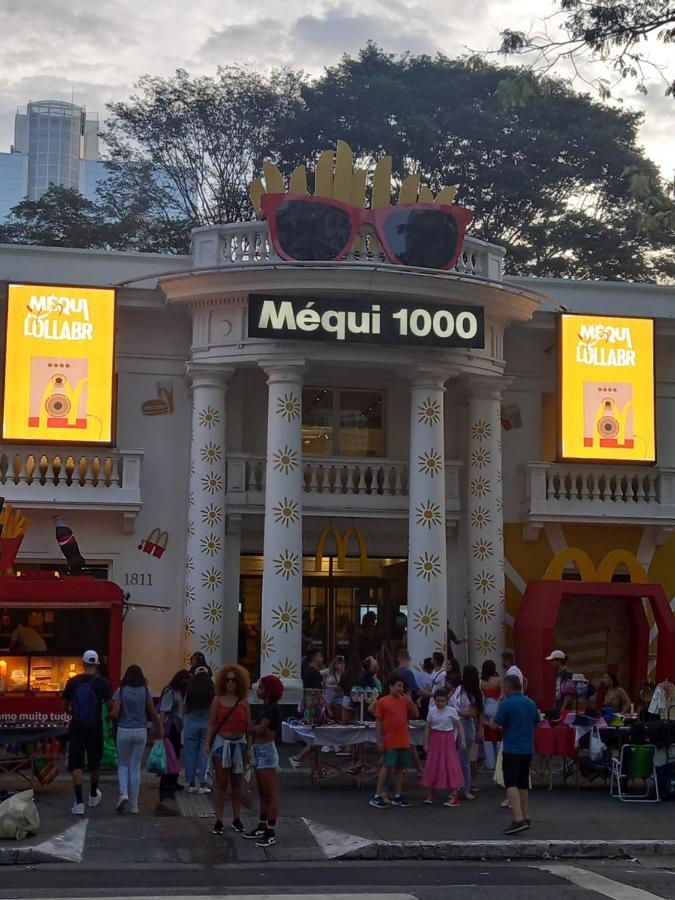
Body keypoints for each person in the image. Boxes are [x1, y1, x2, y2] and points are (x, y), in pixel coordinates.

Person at [62, 650, 112, 816]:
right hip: (95, 727)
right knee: (94, 762)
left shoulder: (73, 681)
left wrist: (73, 714)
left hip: (76, 727)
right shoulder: (103, 683)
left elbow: (65, 706)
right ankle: (92, 795)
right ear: (96, 664)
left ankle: (79, 802)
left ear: (82, 663)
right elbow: (110, 706)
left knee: (76, 763)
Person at [206, 664, 251, 835]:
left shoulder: (244, 702)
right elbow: (211, 724)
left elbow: (248, 726)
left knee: (237, 783)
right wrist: (207, 744)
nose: (230, 683)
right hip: (221, 743)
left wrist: (249, 747)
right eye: (227, 680)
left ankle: (237, 818)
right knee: (221, 782)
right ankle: (218, 819)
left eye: (233, 680)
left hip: (239, 743)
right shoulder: (217, 700)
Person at [492, 674, 540, 835]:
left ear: (509, 687)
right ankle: (526, 816)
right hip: (527, 748)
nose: (502, 690)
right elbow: (537, 722)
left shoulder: (506, 704)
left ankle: (518, 818)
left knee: (510, 783)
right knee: (523, 784)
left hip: (512, 748)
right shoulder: (530, 703)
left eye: (503, 687)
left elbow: (495, 724)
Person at [111, 664, 162, 814]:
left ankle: (123, 794)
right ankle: (134, 805)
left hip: (123, 730)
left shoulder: (121, 690)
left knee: (122, 764)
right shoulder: (146, 690)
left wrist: (109, 717)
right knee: (135, 767)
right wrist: (159, 727)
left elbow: (115, 712)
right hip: (140, 730)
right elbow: (152, 712)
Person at [244, 674, 284, 848]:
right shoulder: (264, 707)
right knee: (261, 791)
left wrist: (247, 728)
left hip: (267, 750)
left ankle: (271, 830)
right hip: (259, 750)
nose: (257, 690)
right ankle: (262, 824)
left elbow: (260, 729)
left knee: (270, 792)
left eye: (261, 687)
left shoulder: (272, 708)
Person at [370, 674, 419, 808]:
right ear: (391, 687)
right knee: (387, 766)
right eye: (398, 685)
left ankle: (398, 795)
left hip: (403, 739)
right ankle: (377, 794)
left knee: (400, 768)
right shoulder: (383, 701)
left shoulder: (404, 700)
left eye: (402, 686)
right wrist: (379, 741)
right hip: (390, 739)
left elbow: (416, 714)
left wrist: (410, 702)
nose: (400, 688)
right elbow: (378, 722)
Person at [422, 688, 465, 806]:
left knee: (451, 765)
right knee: (433, 765)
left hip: (448, 740)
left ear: (447, 701)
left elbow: (459, 726)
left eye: (442, 701)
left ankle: (455, 794)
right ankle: (431, 794)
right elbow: (428, 727)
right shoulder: (431, 711)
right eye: (437, 701)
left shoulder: (452, 711)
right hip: (435, 740)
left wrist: (463, 740)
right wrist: (425, 742)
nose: (440, 703)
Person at [451, 665, 483, 800]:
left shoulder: (473, 693)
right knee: (455, 759)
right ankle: (456, 787)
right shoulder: (459, 689)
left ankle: (465, 787)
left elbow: (472, 713)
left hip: (465, 725)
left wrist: (455, 712)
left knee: (463, 759)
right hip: (454, 726)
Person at [159, 669, 191, 793]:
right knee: (170, 754)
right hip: (170, 726)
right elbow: (163, 710)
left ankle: (172, 779)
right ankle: (166, 780)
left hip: (177, 726)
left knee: (175, 754)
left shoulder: (180, 692)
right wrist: (162, 728)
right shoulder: (170, 691)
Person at [184, 666, 215, 793]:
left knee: (190, 755)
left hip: (192, 722)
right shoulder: (211, 689)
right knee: (204, 754)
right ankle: (203, 784)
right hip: (206, 723)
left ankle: (191, 784)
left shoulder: (190, 689)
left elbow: (186, 706)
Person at [480, 660, 502, 771]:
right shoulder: (499, 680)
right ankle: (500, 762)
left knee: (487, 737)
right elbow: (502, 694)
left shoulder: (481, 682)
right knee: (498, 735)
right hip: (496, 705)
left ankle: (490, 763)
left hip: (486, 705)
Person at [323, 656, 345, 720]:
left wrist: (342, 670)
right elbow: (319, 674)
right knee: (330, 714)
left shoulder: (341, 672)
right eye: (338, 663)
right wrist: (324, 685)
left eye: (340, 663)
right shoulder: (328, 671)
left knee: (338, 714)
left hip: (339, 694)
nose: (339, 665)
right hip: (330, 693)